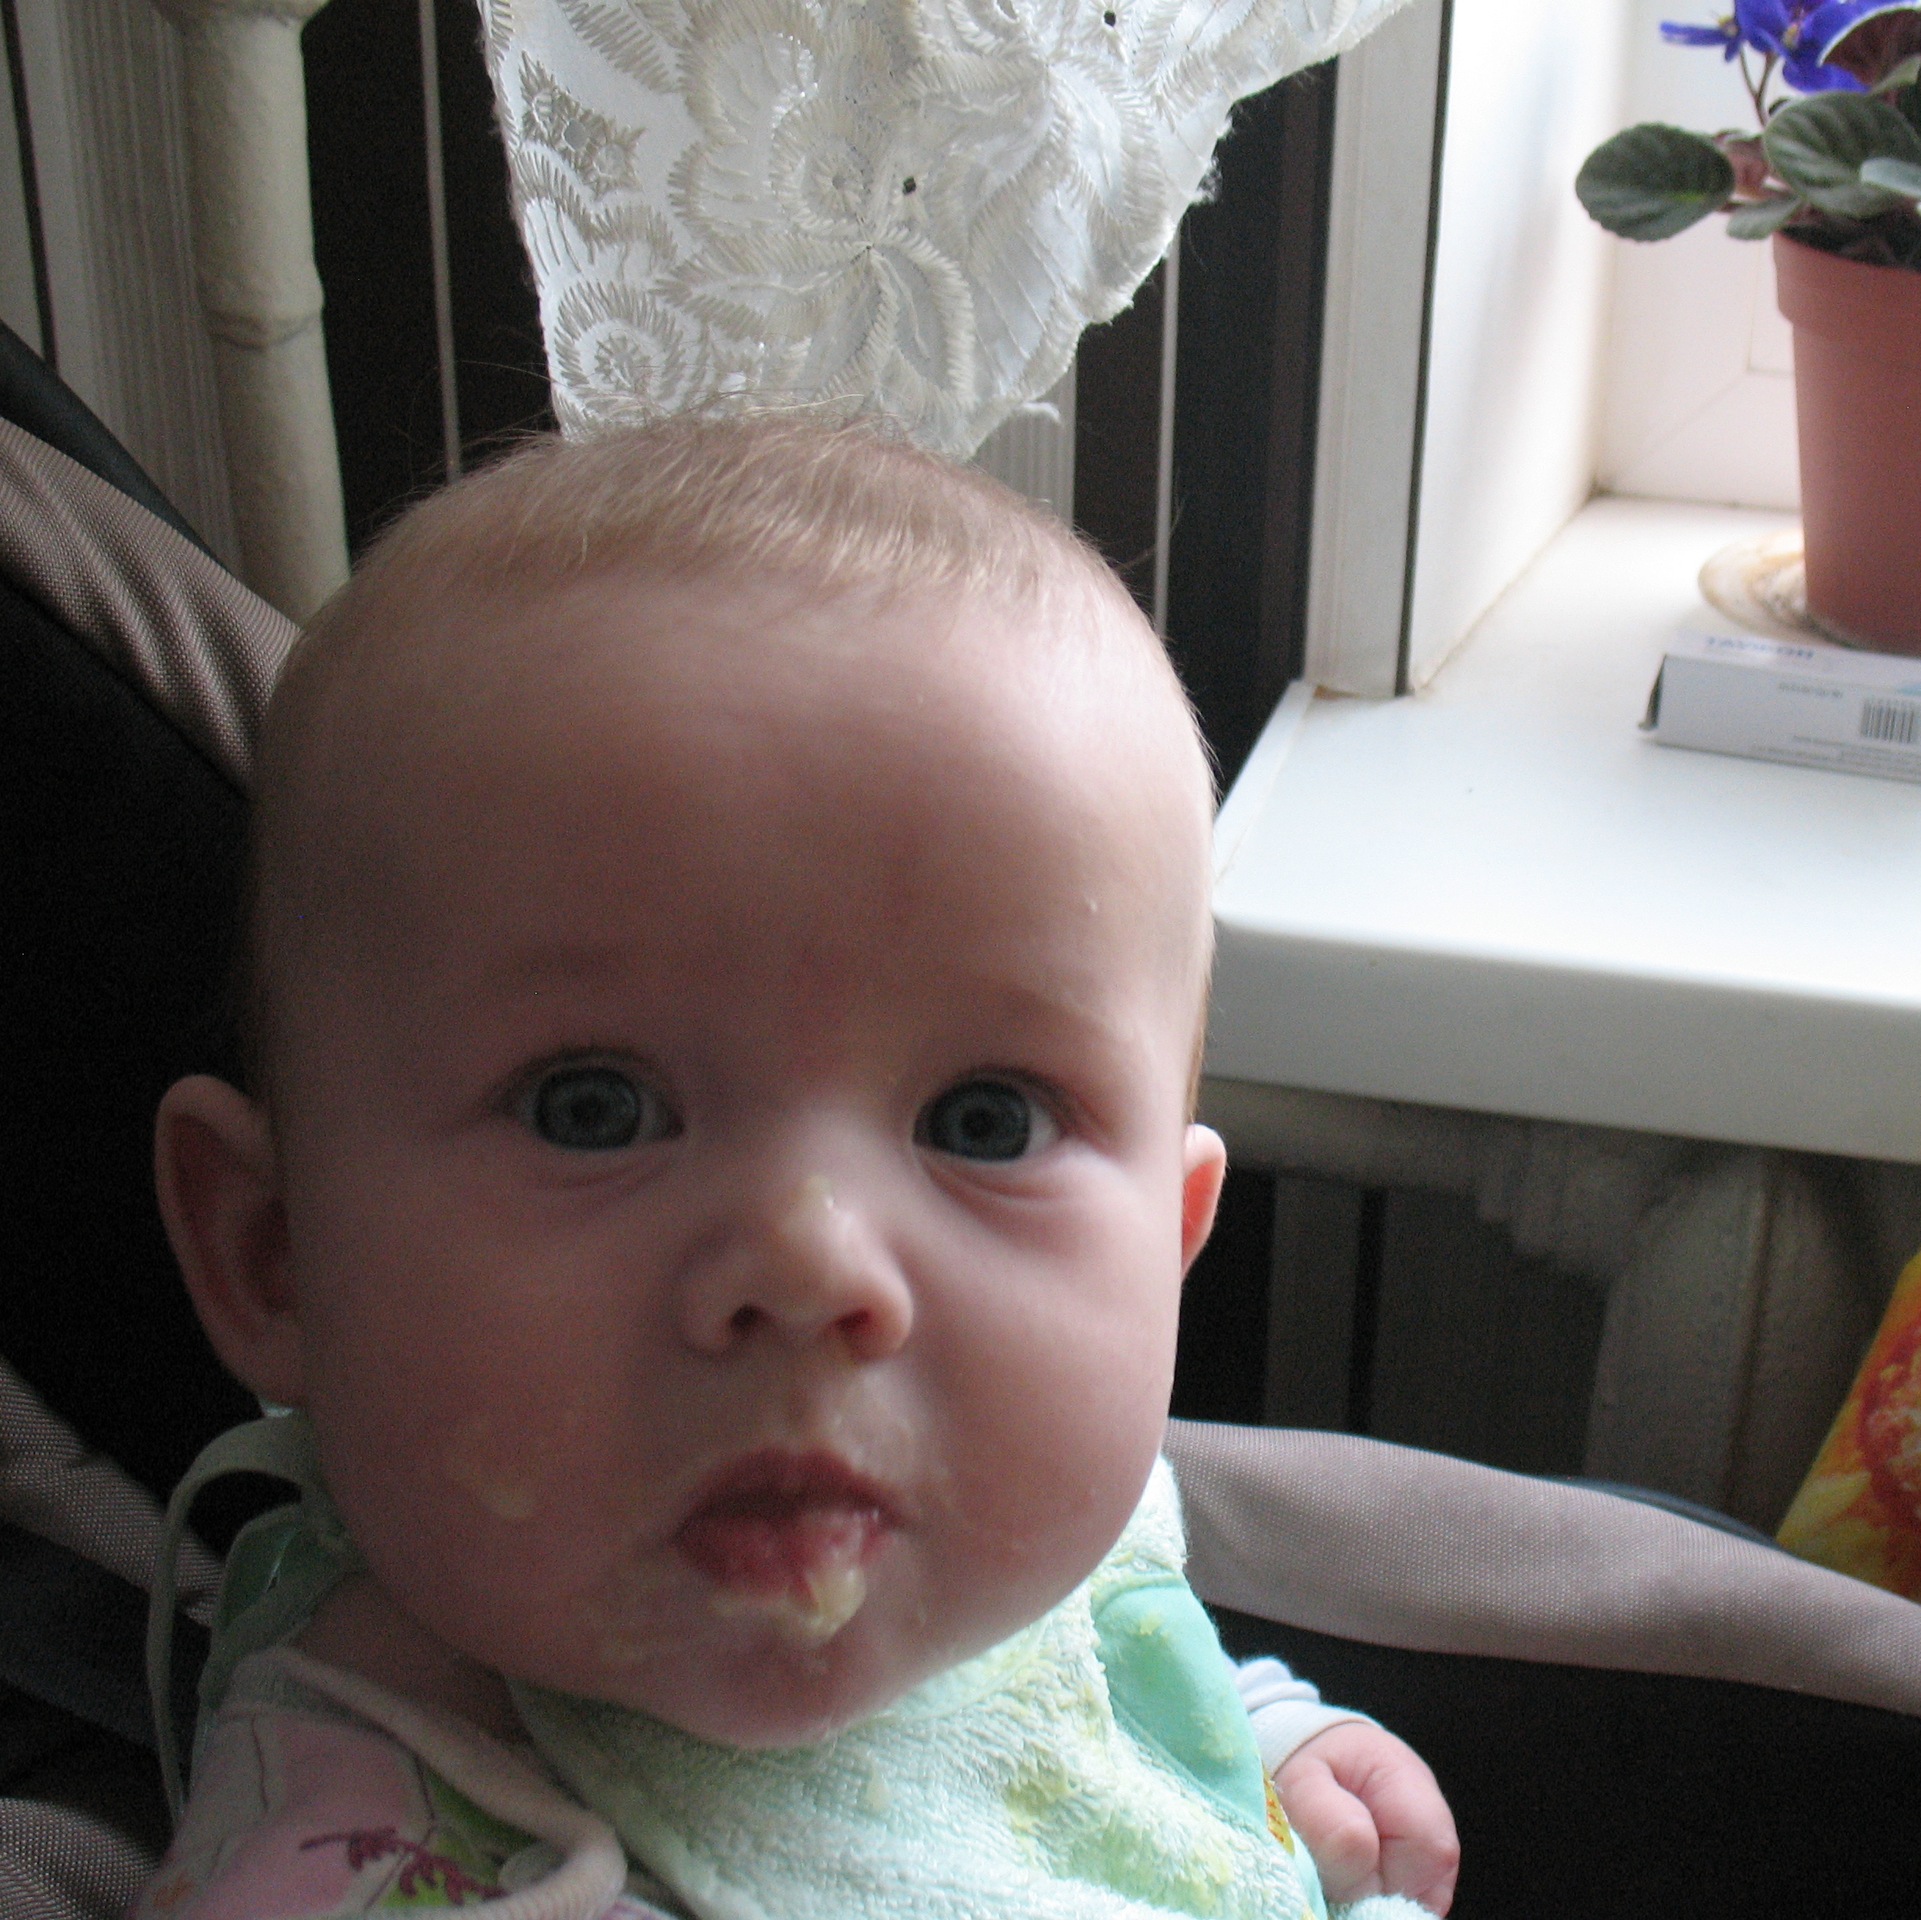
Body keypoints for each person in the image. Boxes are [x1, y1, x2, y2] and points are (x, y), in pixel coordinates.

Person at [137, 417, 1460, 1920]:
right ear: (276, 1254)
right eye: (592, 1109)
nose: (811, 1258)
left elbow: (1101, 1659)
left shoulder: (1003, 1537)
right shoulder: (353, 1857)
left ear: (1170, 1239)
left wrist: (1268, 1747)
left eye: (986, 1122)